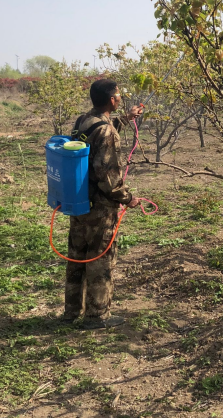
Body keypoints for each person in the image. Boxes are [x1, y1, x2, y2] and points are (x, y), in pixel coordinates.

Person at [62, 79, 143, 329]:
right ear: (111, 100)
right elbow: (108, 178)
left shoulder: (83, 121)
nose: (120, 98)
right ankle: (97, 316)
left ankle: (71, 311)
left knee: (77, 257)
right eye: (118, 95)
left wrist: (126, 118)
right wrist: (128, 198)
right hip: (99, 208)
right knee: (100, 259)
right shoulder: (106, 131)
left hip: (79, 201)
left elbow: (100, 132)